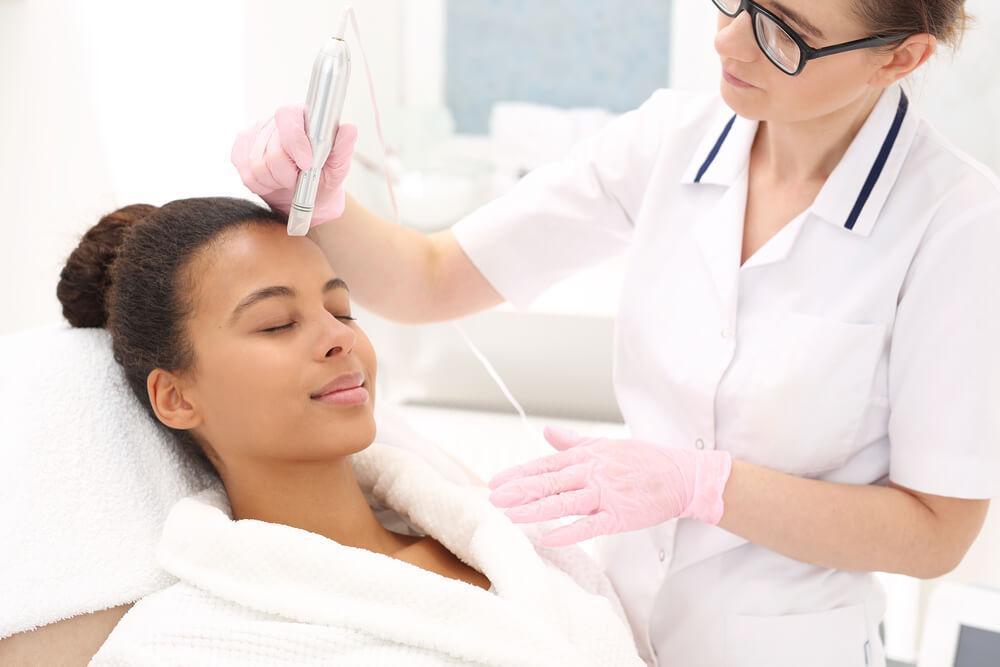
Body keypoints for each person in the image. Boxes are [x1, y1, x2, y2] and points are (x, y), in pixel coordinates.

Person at [231, 1, 1000, 665]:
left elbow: (934, 533)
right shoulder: (672, 137)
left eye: (786, 33)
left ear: (900, 57)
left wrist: (704, 485)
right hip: (612, 628)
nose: (729, 44)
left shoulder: (956, 221)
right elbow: (432, 276)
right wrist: (320, 197)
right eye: (736, 3)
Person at [51, 198, 642, 665]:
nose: (341, 338)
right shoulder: (182, 645)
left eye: (343, 311)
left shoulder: (519, 546)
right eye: (277, 324)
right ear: (176, 397)